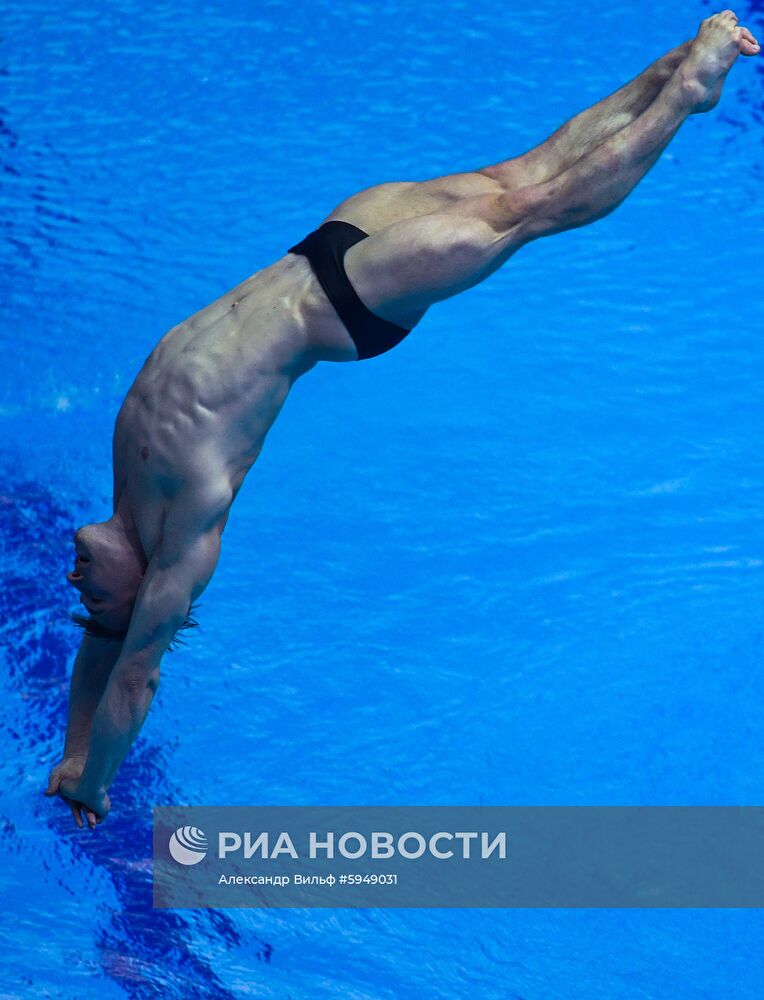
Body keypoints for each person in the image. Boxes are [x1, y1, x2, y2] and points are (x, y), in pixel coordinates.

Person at [45, 12, 759, 828]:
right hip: (350, 298)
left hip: (330, 242)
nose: (75, 583)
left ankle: (672, 66)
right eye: (95, 602)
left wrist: (76, 759)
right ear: (143, 595)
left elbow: (103, 655)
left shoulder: (134, 499)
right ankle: (688, 94)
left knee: (522, 171)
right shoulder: (183, 536)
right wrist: (94, 784)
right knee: (536, 207)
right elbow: (131, 671)